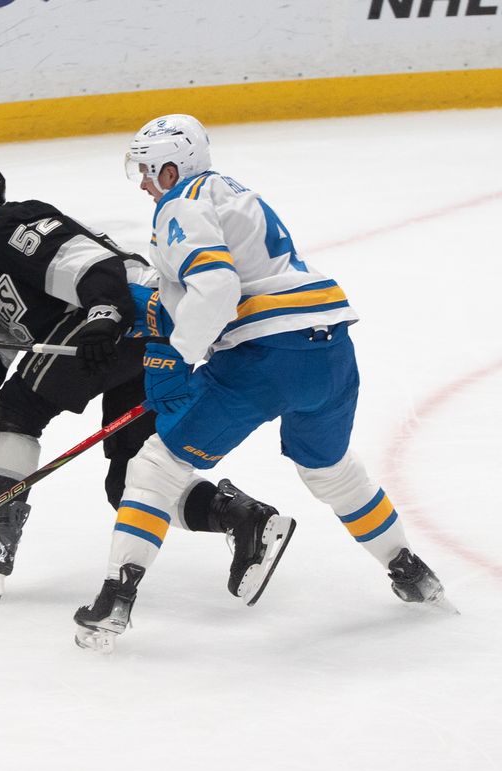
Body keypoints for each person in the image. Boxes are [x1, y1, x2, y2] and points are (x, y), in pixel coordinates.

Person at [74, 115, 455, 651]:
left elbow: (217, 285)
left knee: (156, 467)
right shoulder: (232, 192)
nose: (141, 183)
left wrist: (182, 357)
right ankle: (411, 571)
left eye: (145, 170)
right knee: (332, 472)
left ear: (170, 166)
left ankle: (117, 597)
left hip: (264, 357)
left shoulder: (180, 203)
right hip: (330, 351)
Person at [0, 157, 293, 602]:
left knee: (22, 406)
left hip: (134, 313)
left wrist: (105, 316)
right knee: (128, 482)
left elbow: (99, 270)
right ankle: (243, 518)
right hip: (137, 337)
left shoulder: (10, 225)